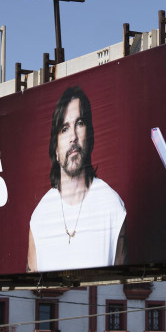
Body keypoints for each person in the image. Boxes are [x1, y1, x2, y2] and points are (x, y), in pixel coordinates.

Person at [28, 85, 127, 272]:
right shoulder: (39, 217)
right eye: (64, 128)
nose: (73, 136)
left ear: (88, 136)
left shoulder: (112, 206)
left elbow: (119, 287)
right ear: (56, 150)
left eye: (79, 123)